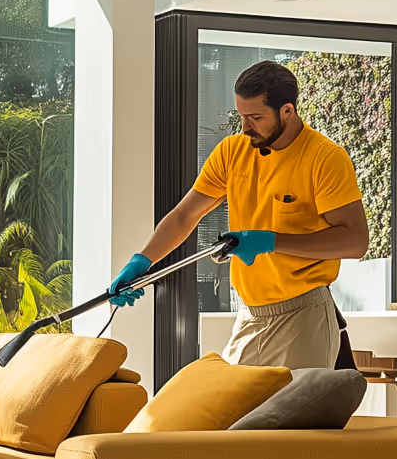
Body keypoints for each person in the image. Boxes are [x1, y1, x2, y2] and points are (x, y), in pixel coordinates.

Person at [110, 59, 368, 369]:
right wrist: (142, 261)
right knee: (230, 415)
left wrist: (272, 241)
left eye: (256, 117)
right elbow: (185, 216)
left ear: (287, 111)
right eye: (241, 115)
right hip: (249, 316)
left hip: (303, 315)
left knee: (292, 418)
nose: (246, 127)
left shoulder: (324, 158)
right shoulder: (232, 152)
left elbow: (355, 241)